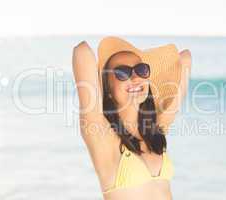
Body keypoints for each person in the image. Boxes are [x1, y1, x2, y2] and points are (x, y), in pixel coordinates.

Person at [72, 36, 191, 200]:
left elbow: (185, 59)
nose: (135, 78)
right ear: (107, 87)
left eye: (141, 70)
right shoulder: (103, 137)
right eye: (122, 73)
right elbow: (82, 51)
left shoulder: (156, 132)